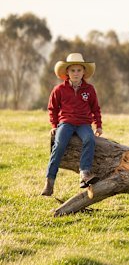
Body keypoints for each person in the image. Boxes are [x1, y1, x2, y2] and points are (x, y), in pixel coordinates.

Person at [41, 53, 103, 196]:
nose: (76, 73)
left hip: (83, 124)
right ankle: (49, 182)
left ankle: (84, 173)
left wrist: (98, 125)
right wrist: (54, 126)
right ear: (67, 73)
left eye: (79, 70)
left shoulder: (89, 89)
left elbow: (95, 108)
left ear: (84, 72)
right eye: (72, 70)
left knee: (89, 140)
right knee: (59, 144)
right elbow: (53, 109)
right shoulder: (59, 90)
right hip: (66, 123)